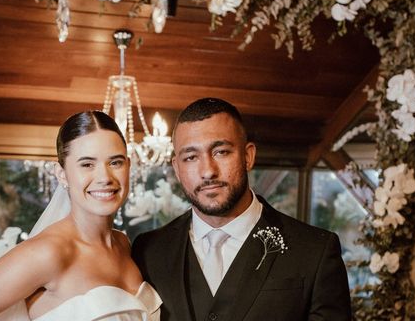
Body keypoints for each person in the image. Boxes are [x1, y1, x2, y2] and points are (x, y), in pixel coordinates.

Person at [132, 98, 351, 321]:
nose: (207, 171)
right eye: (191, 157)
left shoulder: (315, 251)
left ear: (248, 156)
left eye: (221, 152)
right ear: (177, 168)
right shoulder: (148, 251)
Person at [0, 111, 161, 321]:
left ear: (128, 166)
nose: (104, 177)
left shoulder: (124, 244)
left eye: (115, 162)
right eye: (87, 164)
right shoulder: (48, 252)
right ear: (61, 174)